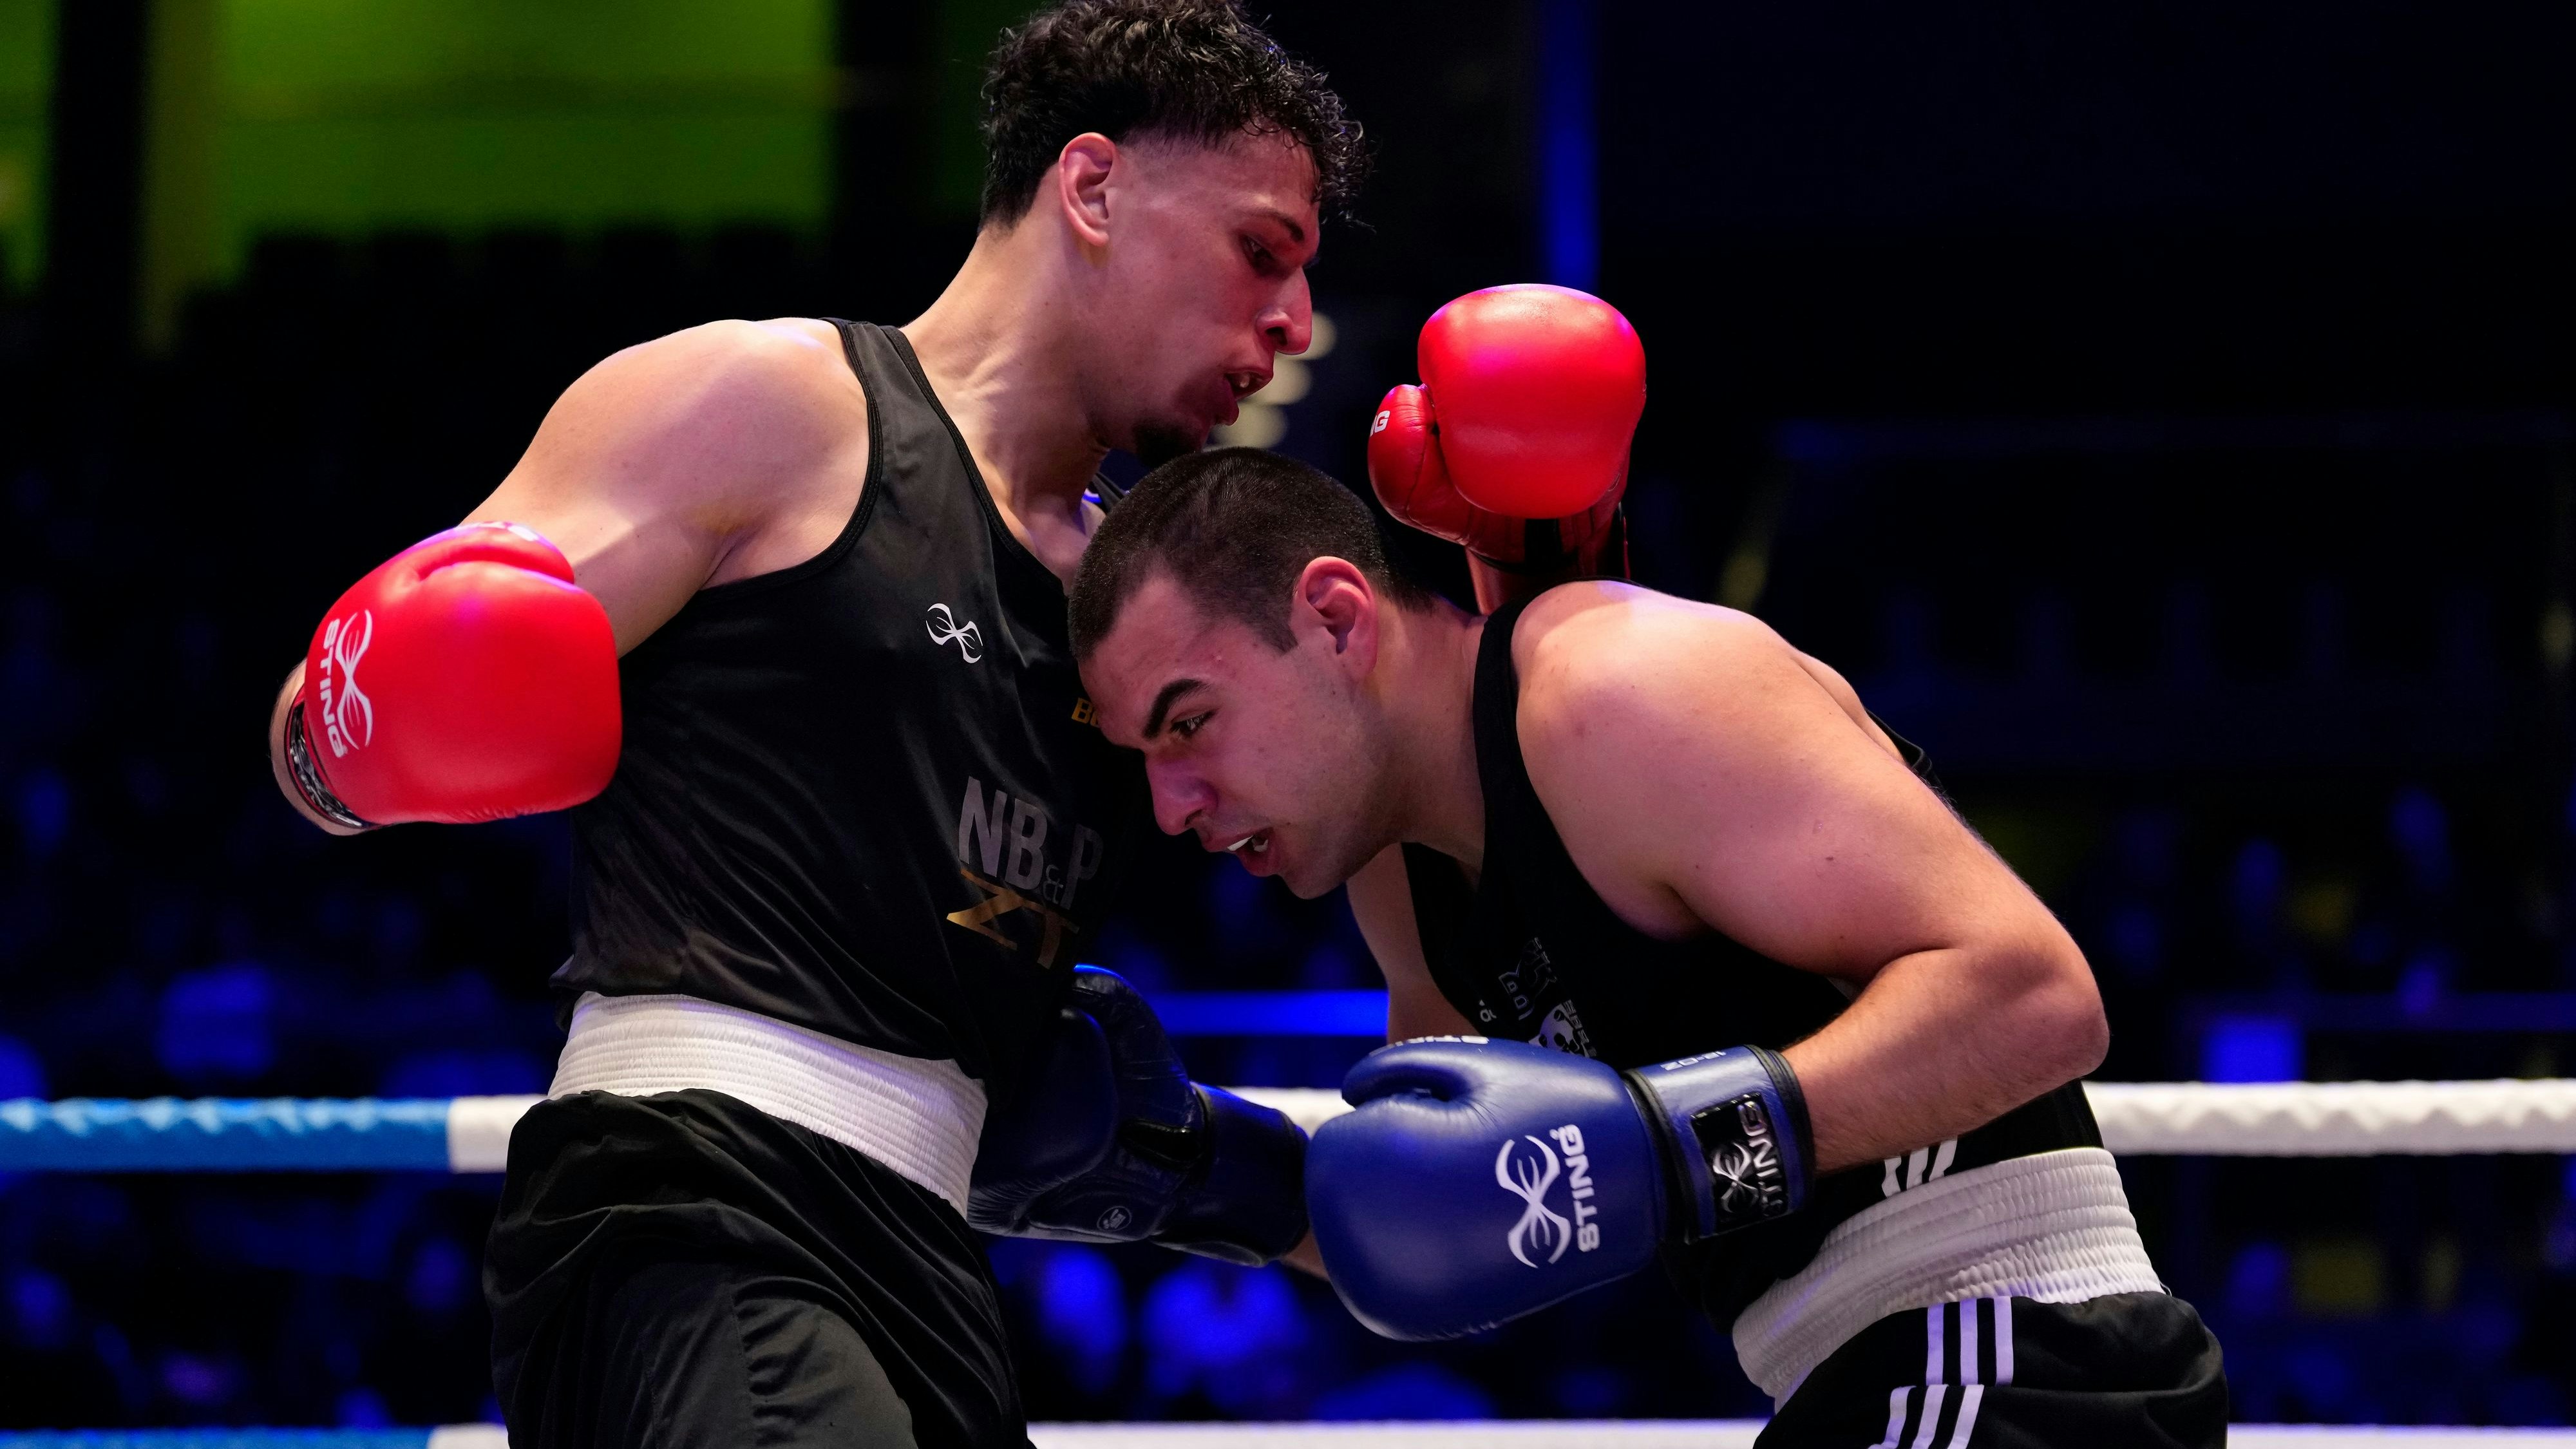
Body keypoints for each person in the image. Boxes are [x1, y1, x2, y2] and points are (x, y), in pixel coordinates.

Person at [258, 3, 1363, 1444]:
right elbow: (315, 728)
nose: (1291, 321)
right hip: (688, 1206)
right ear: (1092, 188)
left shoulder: (1129, 615)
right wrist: (367, 723)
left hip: (929, 1268)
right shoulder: (774, 409)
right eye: (1261, 251)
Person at [1065, 448, 2228, 1448]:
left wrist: (1669, 1151)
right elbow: (1446, 1222)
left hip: (2012, 1339)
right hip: (1865, 1379)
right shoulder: (1400, 883)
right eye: (1145, 759)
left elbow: (2038, 997)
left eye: (1190, 722)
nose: (1171, 807)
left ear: (1335, 618)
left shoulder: (1607, 690)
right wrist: (1189, 1167)